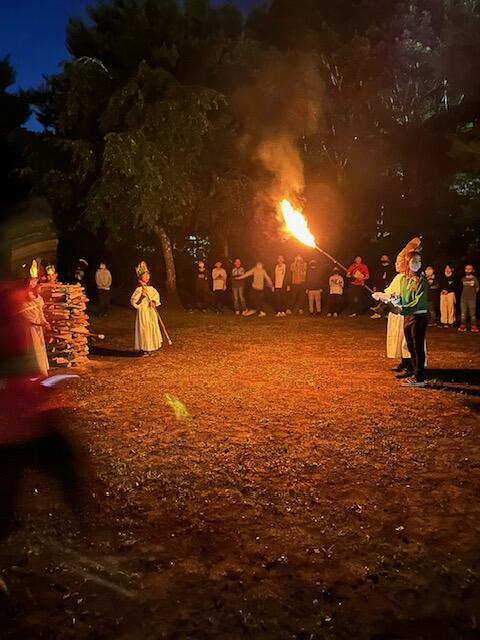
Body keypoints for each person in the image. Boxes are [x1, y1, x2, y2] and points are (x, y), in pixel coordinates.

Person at [397, 250, 428, 388]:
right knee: (410, 346)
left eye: (419, 261)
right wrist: (392, 300)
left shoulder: (422, 280)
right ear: (408, 263)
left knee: (418, 347)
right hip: (407, 316)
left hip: (419, 316)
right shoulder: (404, 280)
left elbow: (418, 302)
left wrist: (402, 309)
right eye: (414, 261)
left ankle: (420, 378)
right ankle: (415, 374)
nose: (417, 264)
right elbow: (402, 298)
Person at [21, 261, 50, 378]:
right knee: (31, 349)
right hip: (29, 329)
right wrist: (38, 323)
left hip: (38, 329)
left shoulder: (37, 297)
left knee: (39, 349)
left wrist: (44, 322)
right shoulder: (23, 297)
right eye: (32, 280)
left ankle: (41, 370)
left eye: (35, 280)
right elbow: (26, 316)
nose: (34, 283)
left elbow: (39, 312)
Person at [130, 261, 162, 356]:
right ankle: (144, 348)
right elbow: (134, 302)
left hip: (151, 312)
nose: (147, 277)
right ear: (140, 277)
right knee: (145, 329)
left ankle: (151, 347)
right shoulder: (139, 289)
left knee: (152, 328)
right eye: (144, 275)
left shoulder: (151, 289)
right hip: (143, 312)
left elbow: (156, 297)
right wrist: (142, 297)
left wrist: (154, 302)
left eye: (148, 275)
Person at [458, 264, 479, 333]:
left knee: (472, 314)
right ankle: (463, 326)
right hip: (463, 299)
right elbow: (459, 288)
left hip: (472, 299)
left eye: (470, 269)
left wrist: (473, 293)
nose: (468, 270)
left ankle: (473, 326)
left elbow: (477, 288)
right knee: (463, 314)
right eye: (467, 268)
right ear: (465, 270)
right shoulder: (463, 279)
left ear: (472, 270)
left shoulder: (475, 279)